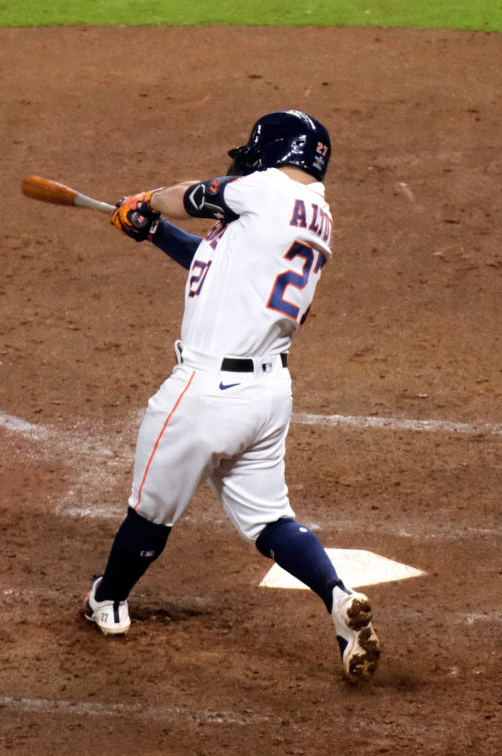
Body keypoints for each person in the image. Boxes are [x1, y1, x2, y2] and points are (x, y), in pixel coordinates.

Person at [82, 110, 381, 682]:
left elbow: (185, 196)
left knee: (150, 511)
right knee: (271, 519)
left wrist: (143, 200)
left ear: (272, 151)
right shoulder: (317, 216)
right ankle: (339, 597)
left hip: (204, 392)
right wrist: (150, 231)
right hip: (268, 394)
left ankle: (109, 600)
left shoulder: (260, 188)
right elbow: (218, 265)